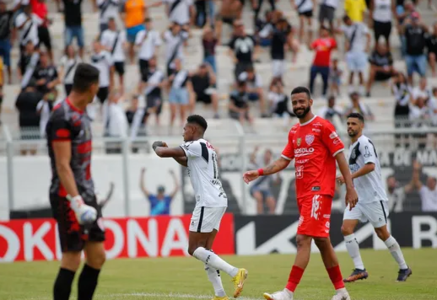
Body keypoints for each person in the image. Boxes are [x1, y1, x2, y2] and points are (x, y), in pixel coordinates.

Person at [244, 86, 358, 300]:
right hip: (303, 194)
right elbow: (282, 161)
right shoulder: (294, 132)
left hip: (319, 191)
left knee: (302, 239)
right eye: (294, 102)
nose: (297, 105)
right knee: (322, 242)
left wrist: (350, 187)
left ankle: (287, 293)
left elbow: (340, 156)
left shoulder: (323, 126)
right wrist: (259, 172)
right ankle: (341, 291)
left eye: (301, 101)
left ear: (310, 102)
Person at [152, 114, 248, 300]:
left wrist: (156, 146)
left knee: (193, 248)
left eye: (185, 129)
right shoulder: (206, 147)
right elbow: (185, 160)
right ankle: (220, 294)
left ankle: (235, 272)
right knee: (206, 250)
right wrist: (170, 152)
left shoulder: (195, 145)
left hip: (207, 201)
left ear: (193, 130)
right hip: (218, 200)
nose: (183, 133)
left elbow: (162, 153)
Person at [45, 63, 105, 300]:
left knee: (97, 256)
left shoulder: (81, 114)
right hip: (68, 196)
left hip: (86, 193)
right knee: (72, 256)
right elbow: (62, 165)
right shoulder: (62, 116)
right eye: (98, 86)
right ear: (92, 87)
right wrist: (77, 202)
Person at [337, 113, 412, 283]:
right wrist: (350, 186)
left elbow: (370, 166)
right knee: (346, 228)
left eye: (354, 123)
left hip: (373, 196)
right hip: (358, 196)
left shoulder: (364, 143)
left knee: (382, 233)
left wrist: (349, 177)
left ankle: (404, 267)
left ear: (361, 126)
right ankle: (360, 269)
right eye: (348, 123)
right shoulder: (352, 146)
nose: (350, 126)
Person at [337, 15, 371, 95]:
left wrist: (367, 47)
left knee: (360, 71)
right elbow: (337, 31)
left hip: (360, 51)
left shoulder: (359, 25)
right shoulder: (345, 27)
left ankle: (361, 89)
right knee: (351, 71)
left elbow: (368, 35)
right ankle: (350, 89)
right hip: (351, 52)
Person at [308, 26, 337, 98]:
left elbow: (335, 46)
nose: (323, 32)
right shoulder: (317, 41)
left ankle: (324, 94)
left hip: (325, 64)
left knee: (325, 80)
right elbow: (311, 48)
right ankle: (310, 92)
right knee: (312, 78)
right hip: (316, 63)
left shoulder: (330, 40)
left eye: (325, 31)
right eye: (322, 31)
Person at [249, 147, 279, 214]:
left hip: (265, 188)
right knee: (259, 198)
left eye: (268, 155)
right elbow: (252, 160)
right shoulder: (259, 162)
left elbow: (275, 181)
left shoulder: (272, 166)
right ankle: (260, 217)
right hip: (255, 186)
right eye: (266, 154)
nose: (267, 156)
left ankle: (271, 220)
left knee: (272, 203)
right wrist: (254, 151)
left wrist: (278, 173)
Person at [100, 18, 127, 94]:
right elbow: (102, 45)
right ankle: (111, 92)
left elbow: (124, 43)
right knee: (111, 76)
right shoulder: (106, 33)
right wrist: (107, 48)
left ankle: (122, 92)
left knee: (121, 76)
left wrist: (125, 46)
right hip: (110, 58)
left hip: (120, 57)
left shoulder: (121, 33)